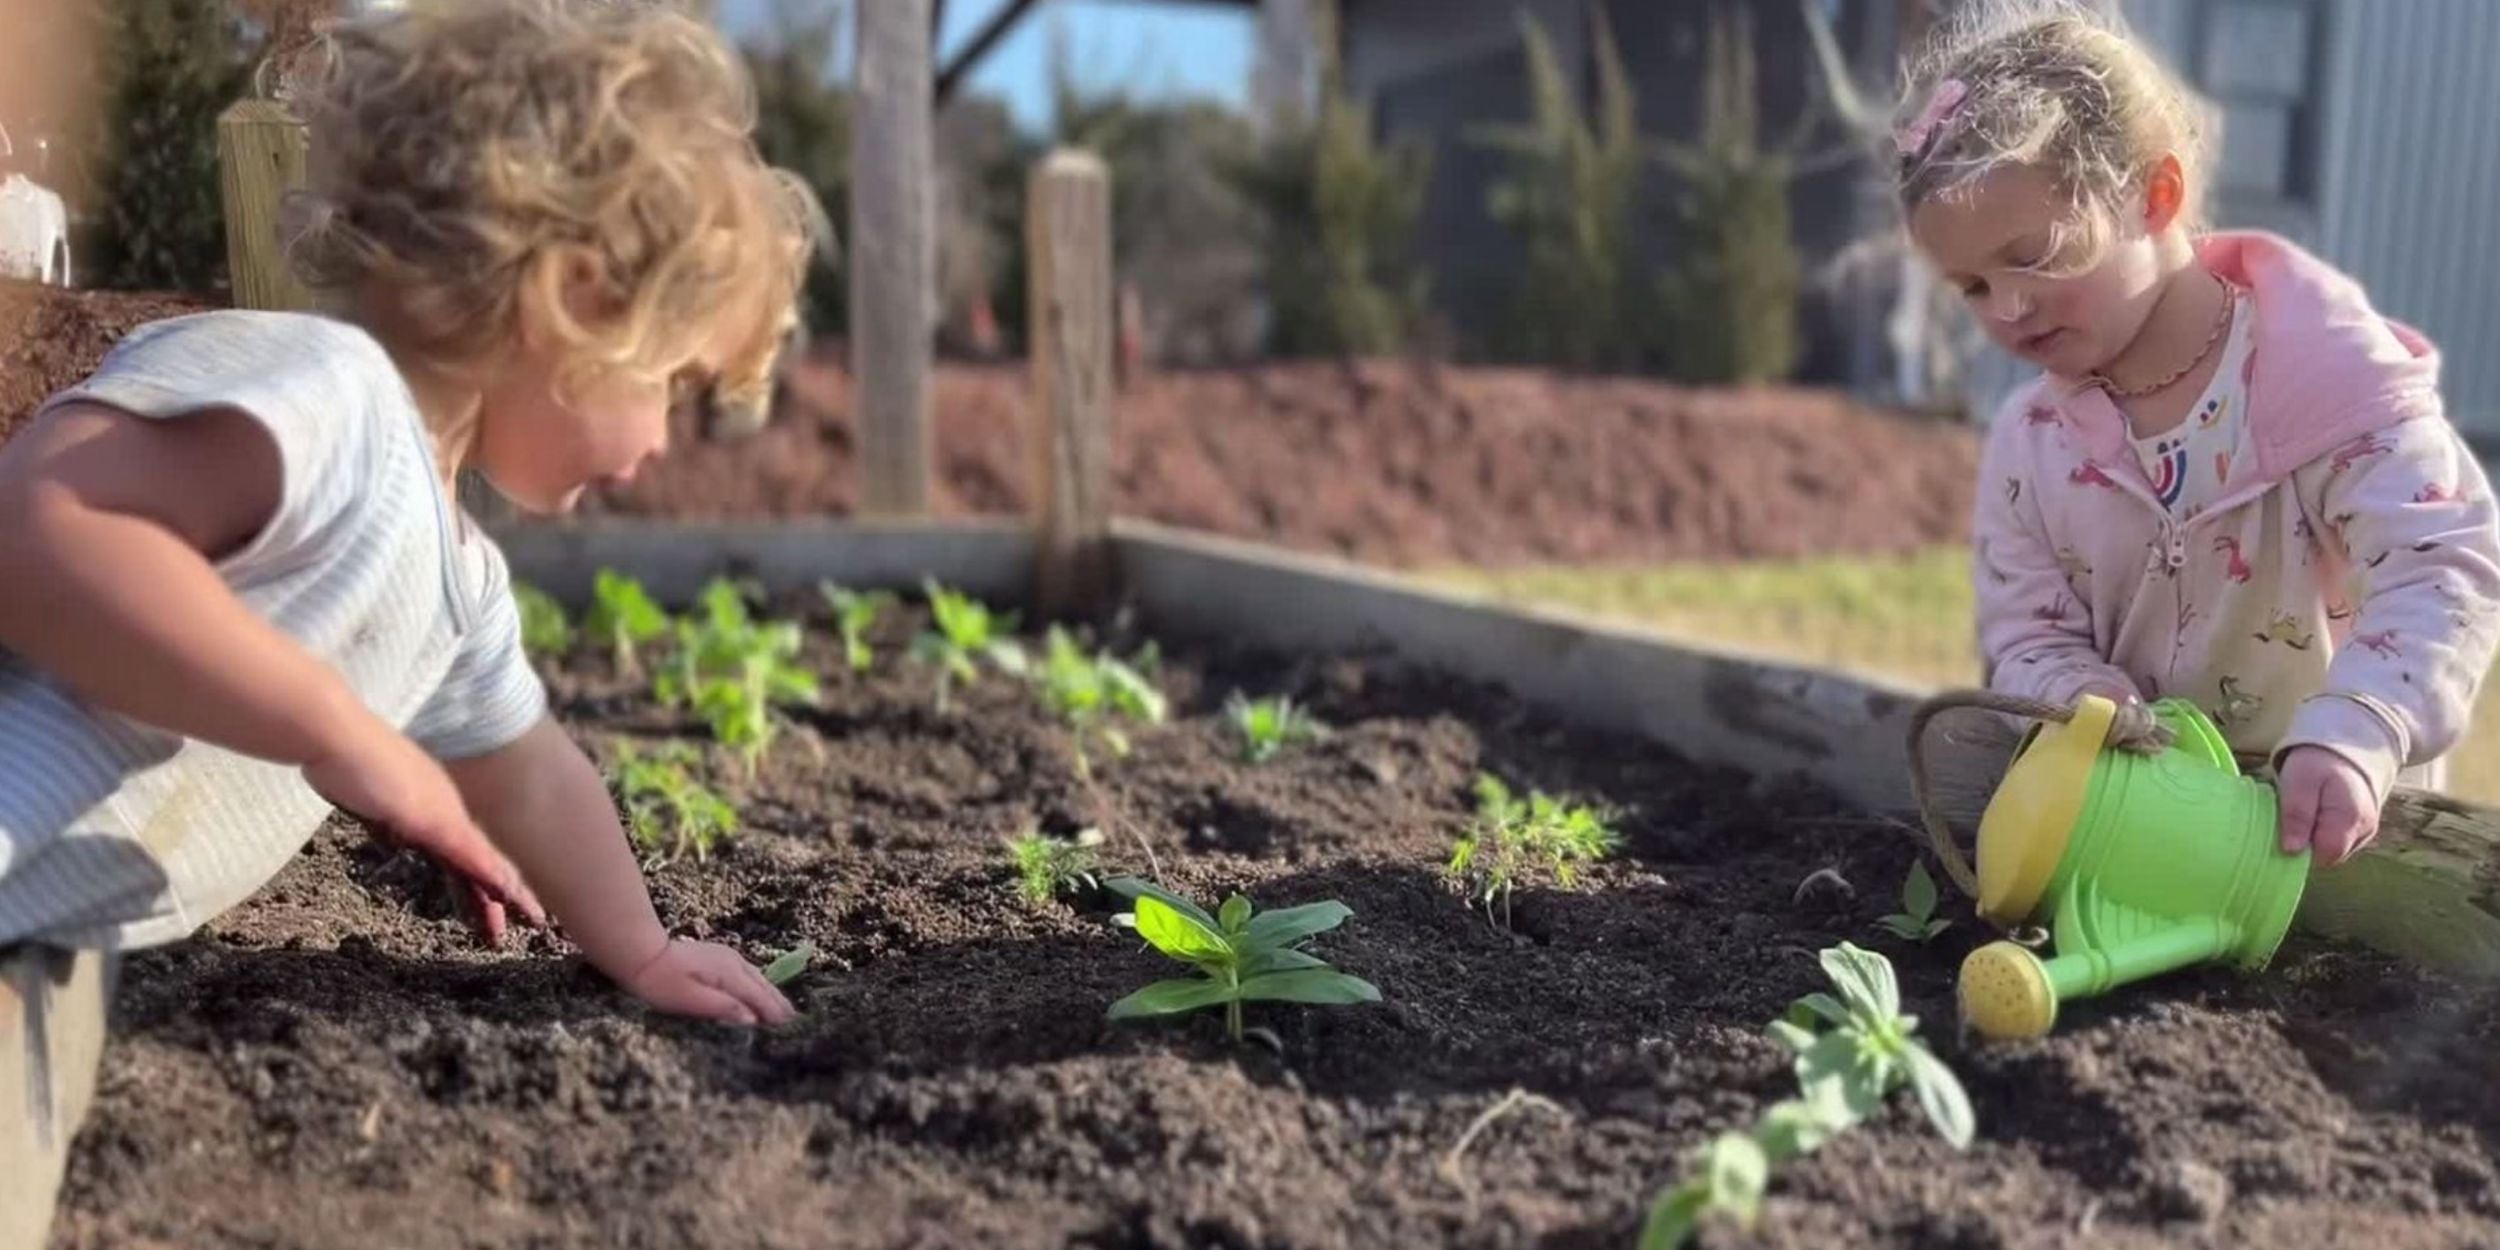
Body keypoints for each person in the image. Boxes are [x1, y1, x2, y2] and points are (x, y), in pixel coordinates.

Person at [0, 3, 812, 1243]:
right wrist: (337, 725)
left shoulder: (456, 576)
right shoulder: (325, 392)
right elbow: (41, 531)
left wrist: (642, 948)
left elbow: (529, 774)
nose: (663, 445)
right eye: (677, 388)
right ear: (572, 299)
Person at [1897, 2, 2500, 866]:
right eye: (1973, 287)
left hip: (2336, 850)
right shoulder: (2034, 442)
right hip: (2147, 839)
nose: (2010, 309)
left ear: (2157, 194)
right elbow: (2027, 633)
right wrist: (2080, 701)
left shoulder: (2328, 378)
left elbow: (2440, 567)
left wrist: (2362, 725)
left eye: (2031, 255)